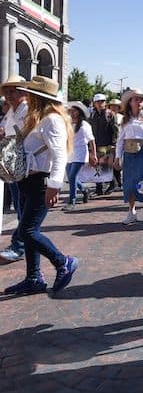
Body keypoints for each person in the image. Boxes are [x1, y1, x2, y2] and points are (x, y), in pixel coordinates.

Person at [2, 76, 78, 296]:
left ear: (38, 96)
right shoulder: (40, 118)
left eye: (31, 93)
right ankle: (34, 277)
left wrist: (54, 185)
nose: (27, 96)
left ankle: (63, 261)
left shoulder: (52, 119)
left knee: (27, 231)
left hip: (41, 182)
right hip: (28, 181)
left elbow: (59, 154)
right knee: (27, 230)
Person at [114, 89, 143, 224]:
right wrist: (117, 156)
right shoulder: (125, 120)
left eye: (141, 100)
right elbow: (120, 139)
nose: (139, 102)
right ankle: (131, 212)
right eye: (136, 99)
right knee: (129, 183)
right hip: (129, 154)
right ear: (130, 103)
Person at [0, 75, 30, 262]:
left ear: (23, 92)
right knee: (20, 206)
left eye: (13, 92)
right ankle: (24, 243)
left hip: (22, 164)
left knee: (22, 207)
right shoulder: (12, 111)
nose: (9, 96)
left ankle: (19, 246)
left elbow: (25, 134)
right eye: (7, 92)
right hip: (11, 163)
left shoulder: (27, 110)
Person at [63, 101, 97, 210]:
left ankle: (72, 201)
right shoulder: (68, 124)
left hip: (80, 153)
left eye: (74, 111)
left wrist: (94, 154)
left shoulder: (84, 125)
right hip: (69, 153)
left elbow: (92, 141)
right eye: (71, 111)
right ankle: (84, 190)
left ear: (79, 112)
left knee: (72, 176)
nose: (72, 113)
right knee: (71, 177)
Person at [89, 93, 117, 195]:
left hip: (108, 144)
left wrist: (114, 143)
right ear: (94, 103)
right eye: (98, 102)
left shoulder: (110, 114)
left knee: (107, 167)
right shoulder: (91, 114)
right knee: (97, 166)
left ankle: (112, 184)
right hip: (96, 144)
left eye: (102, 101)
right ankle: (98, 188)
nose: (100, 104)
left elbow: (115, 130)